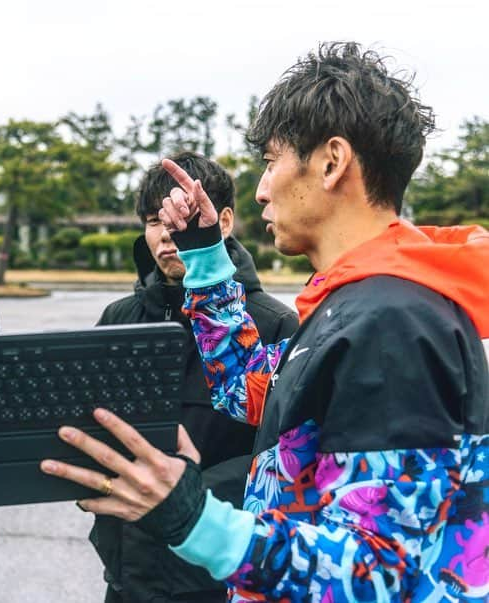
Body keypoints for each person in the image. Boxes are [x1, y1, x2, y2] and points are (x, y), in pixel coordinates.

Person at [42, 42, 489, 602]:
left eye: (271, 162)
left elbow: (382, 575)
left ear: (332, 162)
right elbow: (247, 387)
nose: (259, 191)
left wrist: (192, 518)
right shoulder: (356, 306)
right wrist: (205, 255)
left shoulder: (394, 325)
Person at [92, 150, 297, 602]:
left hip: (217, 573)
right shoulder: (118, 318)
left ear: (221, 221)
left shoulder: (273, 326)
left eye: (179, 216)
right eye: (152, 220)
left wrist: (187, 492)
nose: (166, 233)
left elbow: (283, 465)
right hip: (127, 571)